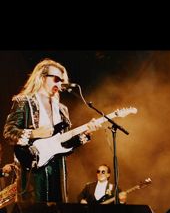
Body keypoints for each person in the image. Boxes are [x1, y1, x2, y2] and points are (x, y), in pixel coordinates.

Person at [3, 58, 101, 203]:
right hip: (33, 168)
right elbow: (9, 132)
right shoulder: (24, 101)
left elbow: (65, 144)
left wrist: (85, 135)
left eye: (61, 80)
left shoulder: (62, 109)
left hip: (58, 169)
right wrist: (34, 133)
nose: (59, 83)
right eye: (56, 79)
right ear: (42, 78)